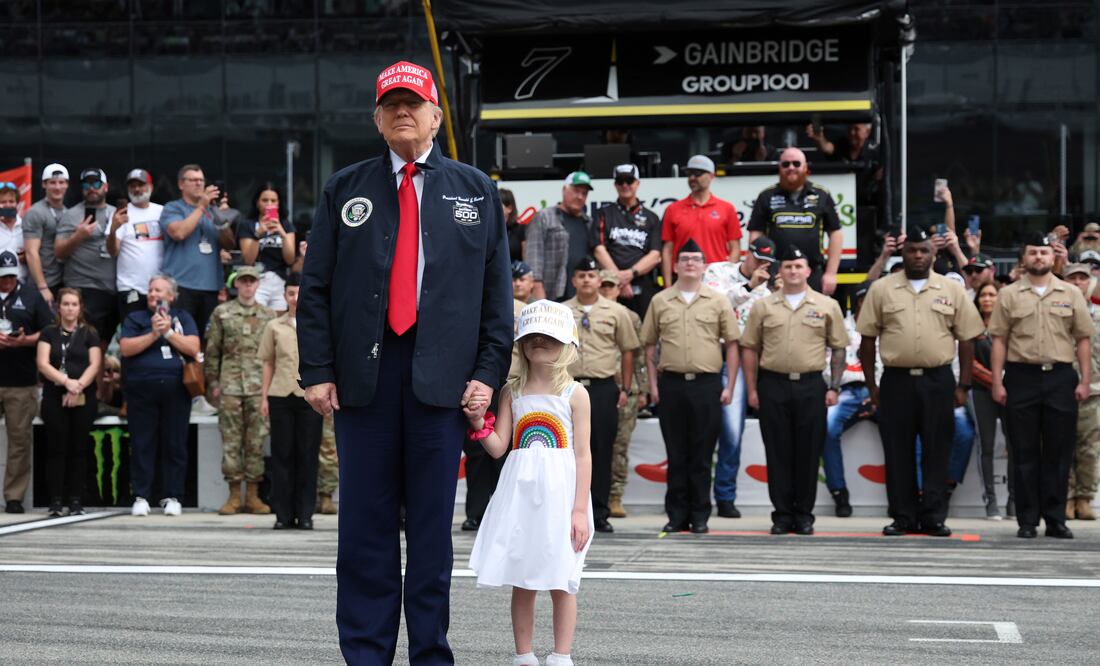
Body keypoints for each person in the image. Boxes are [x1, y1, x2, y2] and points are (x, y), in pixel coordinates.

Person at [297, 60, 512, 664]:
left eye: (413, 103)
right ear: (376, 118)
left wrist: (487, 375)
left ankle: (430, 653)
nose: (402, 113)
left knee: (430, 535)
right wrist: (316, 370)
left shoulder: (475, 189)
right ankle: (365, 655)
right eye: (391, 104)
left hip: (443, 384)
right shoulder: (347, 188)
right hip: (364, 381)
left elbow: (496, 300)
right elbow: (315, 287)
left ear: (436, 116)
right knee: (363, 532)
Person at [463, 300, 593, 666]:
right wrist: (478, 425)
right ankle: (524, 655)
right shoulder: (511, 393)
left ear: (566, 342)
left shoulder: (575, 394)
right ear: (520, 344)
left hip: (561, 495)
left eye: (549, 336)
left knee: (561, 578)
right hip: (520, 494)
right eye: (532, 336)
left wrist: (579, 510)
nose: (540, 342)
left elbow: (583, 454)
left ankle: (561, 654)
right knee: (524, 577)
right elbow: (499, 447)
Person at [856, 226, 983, 537]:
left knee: (937, 450)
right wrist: (872, 386)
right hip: (896, 381)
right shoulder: (882, 289)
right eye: (912, 249)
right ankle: (903, 516)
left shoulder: (952, 289)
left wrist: (963, 385)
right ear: (903, 252)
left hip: (938, 380)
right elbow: (867, 340)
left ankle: (933, 517)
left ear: (933, 253)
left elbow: (967, 339)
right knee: (897, 451)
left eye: (923, 250)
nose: (917, 255)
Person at [990, 235, 1093, 539]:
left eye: (1044, 252)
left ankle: (1056, 517)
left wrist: (1085, 380)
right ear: (1024, 258)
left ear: (1053, 257)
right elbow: (999, 340)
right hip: (1021, 377)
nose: (1039, 257)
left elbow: (1083, 339)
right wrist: (997, 381)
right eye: (1033, 252)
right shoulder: (1009, 295)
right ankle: (1027, 519)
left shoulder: (1071, 293)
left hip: (1061, 376)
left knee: (1059, 451)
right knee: (1024, 451)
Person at [741, 246, 848, 535]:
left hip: (811, 385)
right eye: (788, 266)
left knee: (808, 452)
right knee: (777, 452)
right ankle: (782, 515)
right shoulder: (762, 306)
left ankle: (804, 515)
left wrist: (834, 386)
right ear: (781, 271)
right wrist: (752, 389)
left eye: (798, 266)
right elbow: (750, 349)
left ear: (808, 271)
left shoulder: (827, 305)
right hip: (772, 384)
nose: (793, 271)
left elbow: (838, 348)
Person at [642, 239, 739, 534]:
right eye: (684, 259)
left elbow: (732, 345)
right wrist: (653, 385)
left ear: (704, 266)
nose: (690, 264)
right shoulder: (661, 301)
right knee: (676, 453)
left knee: (701, 453)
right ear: (675, 265)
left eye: (696, 259)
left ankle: (700, 516)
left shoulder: (718, 300)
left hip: (707, 384)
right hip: (671, 384)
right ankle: (676, 515)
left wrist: (730, 386)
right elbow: (649, 346)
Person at [562, 256, 639, 533]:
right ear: (573, 280)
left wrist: (625, 388)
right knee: (567, 450)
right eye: (581, 275)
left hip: (603, 387)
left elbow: (629, 349)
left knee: (602, 449)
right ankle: (568, 509)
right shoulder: (560, 311)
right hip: (568, 388)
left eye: (591, 275)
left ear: (599, 280)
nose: (586, 280)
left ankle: (600, 511)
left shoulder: (616, 312)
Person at [702, 236, 777, 518]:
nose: (761, 266)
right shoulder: (718, 271)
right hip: (708, 354)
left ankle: (724, 495)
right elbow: (714, 304)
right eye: (758, 259)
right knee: (701, 429)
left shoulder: (767, 293)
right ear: (747, 254)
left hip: (741, 361)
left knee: (733, 432)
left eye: (767, 263)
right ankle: (693, 497)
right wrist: (749, 285)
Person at [119, 274, 201, 517]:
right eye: (151, 290)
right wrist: (154, 333)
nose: (153, 294)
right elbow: (125, 348)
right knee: (142, 443)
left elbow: (194, 348)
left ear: (171, 296)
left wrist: (169, 333)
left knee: (175, 444)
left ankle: (173, 496)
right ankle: (141, 496)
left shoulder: (182, 317)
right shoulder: (135, 318)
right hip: (140, 390)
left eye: (159, 291)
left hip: (176, 389)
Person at [205, 265, 275, 516]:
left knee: (256, 441)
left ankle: (254, 495)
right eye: (243, 281)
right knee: (231, 442)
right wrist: (212, 383)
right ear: (236, 284)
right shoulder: (222, 313)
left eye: (252, 281)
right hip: (231, 385)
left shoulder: (269, 315)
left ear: (257, 285)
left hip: (258, 388)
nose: (247, 286)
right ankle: (234, 495)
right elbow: (213, 351)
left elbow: (271, 355)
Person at [259, 273, 321, 529]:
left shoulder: (317, 324)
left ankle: (305, 513)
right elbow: (268, 363)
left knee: (308, 455)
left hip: (309, 396)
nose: (296, 298)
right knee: (282, 455)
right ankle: (283, 515)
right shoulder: (274, 326)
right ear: (284, 296)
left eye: (300, 293)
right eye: (291, 293)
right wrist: (264, 397)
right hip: (281, 393)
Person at [36, 288, 102, 516]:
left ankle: (75, 500)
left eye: (74, 304)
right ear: (59, 307)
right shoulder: (48, 333)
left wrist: (78, 385)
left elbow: (95, 364)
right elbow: (43, 363)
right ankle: (55, 500)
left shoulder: (89, 333)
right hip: (55, 395)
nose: (70, 308)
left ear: (80, 307)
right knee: (56, 448)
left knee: (79, 448)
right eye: (65, 304)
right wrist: (66, 382)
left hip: (83, 395)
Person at [747, 147, 843, 294]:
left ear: (805, 167)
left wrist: (831, 273)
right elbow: (755, 235)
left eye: (796, 164)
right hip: (775, 273)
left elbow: (836, 233)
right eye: (786, 164)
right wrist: (755, 269)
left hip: (811, 272)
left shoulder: (822, 194)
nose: (791, 168)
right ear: (779, 168)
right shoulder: (766, 196)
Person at [0, 250, 52, 513]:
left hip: (20, 379)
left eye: (10, 276)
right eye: (2, 277)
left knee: (19, 440)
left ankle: (14, 496)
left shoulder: (32, 296)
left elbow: (50, 331)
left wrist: (25, 340)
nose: (7, 281)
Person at [822, 281, 879, 517]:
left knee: (903, 430)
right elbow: (828, 364)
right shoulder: (841, 327)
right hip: (845, 390)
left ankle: (911, 493)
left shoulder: (887, 327)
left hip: (877, 391)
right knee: (826, 427)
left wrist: (876, 395)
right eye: (867, 300)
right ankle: (839, 492)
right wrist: (835, 387)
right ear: (858, 301)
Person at [159, 164, 237, 338]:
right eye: (193, 180)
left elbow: (229, 244)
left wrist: (222, 219)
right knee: (180, 338)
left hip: (210, 286)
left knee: (207, 341)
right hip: (180, 286)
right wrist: (201, 207)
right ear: (181, 184)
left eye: (201, 180)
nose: (199, 184)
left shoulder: (213, 211)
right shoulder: (173, 208)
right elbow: (178, 233)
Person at [598, 270, 647, 519]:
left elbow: (638, 357)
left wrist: (643, 389)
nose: (607, 290)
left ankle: (615, 495)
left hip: (625, 388)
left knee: (619, 445)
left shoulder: (630, 317)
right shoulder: (584, 313)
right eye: (603, 285)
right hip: (597, 385)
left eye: (611, 286)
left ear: (619, 289)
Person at [55, 169, 119, 344]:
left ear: (105, 187)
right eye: (87, 184)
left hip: (111, 288)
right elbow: (59, 253)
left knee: (102, 345)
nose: (92, 188)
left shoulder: (117, 214)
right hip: (81, 287)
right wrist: (78, 236)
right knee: (81, 345)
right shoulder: (71, 215)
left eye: (96, 184)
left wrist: (114, 228)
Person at [592, 163, 662, 317]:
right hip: (609, 284)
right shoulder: (603, 213)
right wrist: (618, 279)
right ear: (615, 185)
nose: (625, 185)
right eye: (620, 181)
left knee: (644, 332)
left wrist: (630, 274)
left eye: (629, 181)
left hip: (641, 283)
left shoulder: (652, 218)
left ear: (637, 183)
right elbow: (598, 249)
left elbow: (656, 254)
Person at [660, 155, 741, 288]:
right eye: (689, 173)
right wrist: (668, 286)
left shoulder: (727, 208)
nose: (692, 178)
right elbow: (667, 251)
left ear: (711, 176)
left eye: (697, 173)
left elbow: (735, 248)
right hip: (684, 279)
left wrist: (726, 278)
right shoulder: (673, 209)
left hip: (717, 281)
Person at [1062, 264, 1100, 521]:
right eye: (1072, 278)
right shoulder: (1056, 312)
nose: (1078, 283)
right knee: (1062, 445)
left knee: (1088, 448)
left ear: (1090, 283)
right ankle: (1066, 497)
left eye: (1082, 278)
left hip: (1094, 389)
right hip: (1060, 387)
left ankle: (1085, 498)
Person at [971, 280, 1011, 520]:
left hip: (1010, 392)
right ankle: (991, 502)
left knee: (1015, 446)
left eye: (992, 295)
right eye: (983, 295)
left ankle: (1015, 502)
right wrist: (996, 380)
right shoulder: (971, 327)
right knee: (985, 446)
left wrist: (1006, 382)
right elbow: (971, 364)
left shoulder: (1009, 325)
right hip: (981, 391)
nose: (987, 299)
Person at [526, 171, 594, 301]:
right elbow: (533, 255)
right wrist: (538, 291)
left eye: (584, 193)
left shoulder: (589, 222)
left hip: (581, 296)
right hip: (551, 292)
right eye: (575, 190)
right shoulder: (544, 216)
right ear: (564, 189)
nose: (580, 196)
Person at [109, 169, 165, 322]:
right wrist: (113, 229)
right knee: (132, 333)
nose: (137, 189)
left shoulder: (163, 212)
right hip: (130, 288)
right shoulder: (121, 213)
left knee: (161, 330)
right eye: (132, 186)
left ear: (151, 187)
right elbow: (113, 251)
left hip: (160, 288)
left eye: (141, 185)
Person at [238, 182, 296, 311]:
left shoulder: (286, 225)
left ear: (279, 203)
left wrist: (283, 234)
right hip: (256, 281)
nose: (269, 204)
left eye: (273, 200)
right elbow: (248, 259)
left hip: (280, 282)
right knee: (258, 323)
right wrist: (258, 234)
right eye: (265, 200)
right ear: (257, 203)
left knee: (278, 324)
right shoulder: (248, 225)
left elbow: (290, 259)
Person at [22, 163, 69, 307]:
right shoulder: (35, 212)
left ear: (67, 184)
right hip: (43, 284)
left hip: (64, 282)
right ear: (44, 184)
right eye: (52, 182)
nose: (57, 187)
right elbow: (31, 252)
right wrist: (42, 287)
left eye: (61, 182)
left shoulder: (69, 212)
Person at [0, 183, 26, 283]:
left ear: (17, 203)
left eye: (11, 201)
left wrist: (27, 257)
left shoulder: (26, 225)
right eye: (3, 202)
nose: (8, 205)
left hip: (23, 283)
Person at [500, 188, 525, 263]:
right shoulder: (488, 230)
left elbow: (527, 262)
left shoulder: (520, 230)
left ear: (509, 208)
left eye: (497, 205)